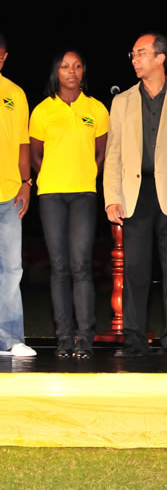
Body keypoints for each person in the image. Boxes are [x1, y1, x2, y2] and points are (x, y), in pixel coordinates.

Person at [103, 33, 167, 357]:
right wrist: (111, 197)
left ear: (160, 58)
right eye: (133, 54)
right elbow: (113, 154)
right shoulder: (122, 101)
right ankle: (133, 340)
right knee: (136, 271)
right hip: (135, 193)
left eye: (141, 53)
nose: (134, 59)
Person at [29, 50, 108, 358]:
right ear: (56, 72)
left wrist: (86, 175)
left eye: (76, 66)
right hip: (50, 195)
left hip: (84, 194)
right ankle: (63, 339)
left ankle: (85, 339)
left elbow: (101, 154)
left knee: (81, 266)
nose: (71, 71)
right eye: (65, 66)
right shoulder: (42, 111)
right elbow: (35, 155)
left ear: (83, 71)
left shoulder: (97, 109)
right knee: (60, 267)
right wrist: (51, 176)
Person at [0, 33, 36, 357]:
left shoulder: (15, 94)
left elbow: (24, 143)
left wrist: (27, 182)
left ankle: (10, 339)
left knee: (12, 268)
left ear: (5, 57)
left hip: (10, 193)